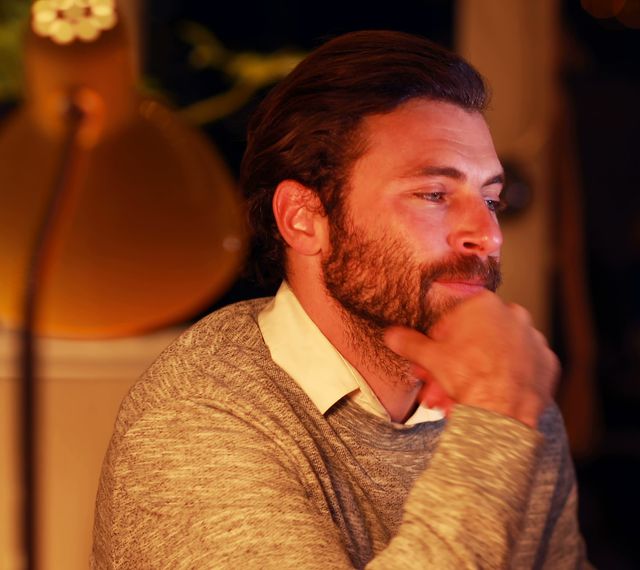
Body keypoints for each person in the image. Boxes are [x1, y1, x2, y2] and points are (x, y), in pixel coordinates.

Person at [92, 30, 589, 568]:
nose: (487, 236)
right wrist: (497, 418)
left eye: (491, 200)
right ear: (304, 219)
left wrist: (500, 411)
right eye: (434, 195)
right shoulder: (197, 415)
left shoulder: (509, 396)